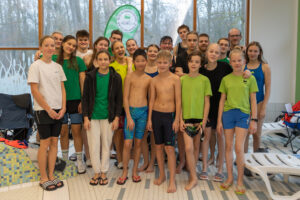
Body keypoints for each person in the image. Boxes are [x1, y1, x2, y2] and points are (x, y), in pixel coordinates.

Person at [28, 35, 66, 191]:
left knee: (54, 141)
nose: (50, 48)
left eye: (52, 45)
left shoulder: (58, 67)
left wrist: (63, 108)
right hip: (43, 110)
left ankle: (51, 175)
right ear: (41, 48)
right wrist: (49, 109)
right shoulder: (36, 66)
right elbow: (34, 90)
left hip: (58, 109)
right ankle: (43, 177)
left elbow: (62, 89)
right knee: (44, 143)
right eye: (47, 45)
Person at [217, 48, 258, 195]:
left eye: (239, 60)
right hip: (228, 114)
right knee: (228, 146)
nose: (236, 63)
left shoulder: (250, 78)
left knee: (238, 148)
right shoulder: (226, 79)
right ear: (230, 62)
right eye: (233, 60)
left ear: (244, 61)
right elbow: (222, 101)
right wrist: (219, 121)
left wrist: (254, 120)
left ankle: (240, 180)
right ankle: (229, 178)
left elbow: (253, 100)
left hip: (243, 115)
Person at [82, 50, 122, 186]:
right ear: (96, 61)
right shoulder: (90, 77)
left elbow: (119, 99)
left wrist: (116, 117)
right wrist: (86, 117)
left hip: (108, 116)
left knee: (106, 144)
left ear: (110, 60)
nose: (103, 61)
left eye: (106, 59)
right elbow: (86, 98)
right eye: (100, 59)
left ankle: (104, 171)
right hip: (93, 116)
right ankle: (96, 172)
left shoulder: (116, 77)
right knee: (94, 146)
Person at [147, 50, 181, 193]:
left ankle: (172, 179)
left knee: (170, 148)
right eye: (159, 62)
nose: (161, 65)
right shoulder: (153, 80)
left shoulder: (175, 79)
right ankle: (162, 175)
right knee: (159, 147)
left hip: (170, 116)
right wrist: (149, 119)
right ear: (156, 63)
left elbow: (179, 101)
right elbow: (151, 100)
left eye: (164, 62)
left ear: (170, 63)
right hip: (156, 115)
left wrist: (177, 119)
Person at [53, 35, 87, 174]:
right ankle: (65, 160)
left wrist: (82, 101)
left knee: (77, 131)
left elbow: (83, 81)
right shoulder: (54, 60)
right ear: (63, 44)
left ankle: (79, 160)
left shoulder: (78, 61)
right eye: (69, 44)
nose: (71, 47)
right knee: (63, 132)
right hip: (58, 101)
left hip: (75, 101)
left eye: (73, 45)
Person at [117, 49, 151, 184]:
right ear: (134, 62)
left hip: (143, 112)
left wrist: (149, 119)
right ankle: (125, 170)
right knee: (127, 144)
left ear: (146, 62)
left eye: (143, 60)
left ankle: (135, 170)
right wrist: (129, 117)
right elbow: (125, 98)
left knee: (138, 143)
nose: (141, 63)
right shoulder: (129, 77)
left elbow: (150, 99)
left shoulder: (149, 79)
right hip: (131, 112)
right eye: (138, 61)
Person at [199, 43, 232, 182]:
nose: (213, 54)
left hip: (222, 108)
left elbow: (236, 77)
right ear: (206, 53)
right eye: (211, 51)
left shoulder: (225, 67)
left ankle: (220, 169)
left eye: (216, 52)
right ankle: (205, 167)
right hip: (206, 108)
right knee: (206, 137)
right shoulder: (201, 70)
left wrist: (246, 73)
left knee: (220, 136)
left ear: (220, 55)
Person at [180, 51, 211, 190]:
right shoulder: (182, 80)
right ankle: (193, 178)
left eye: (197, 62)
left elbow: (207, 102)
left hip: (199, 120)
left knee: (196, 148)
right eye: (192, 61)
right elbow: (179, 101)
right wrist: (180, 119)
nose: (194, 64)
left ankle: (193, 172)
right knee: (188, 147)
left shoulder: (204, 80)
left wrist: (204, 122)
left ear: (201, 64)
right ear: (188, 62)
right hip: (186, 118)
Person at [110, 40, 134, 169]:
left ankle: (129, 158)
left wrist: (130, 64)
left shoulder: (132, 64)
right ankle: (120, 159)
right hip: (118, 104)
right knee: (118, 133)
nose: (120, 50)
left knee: (130, 132)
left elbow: (131, 80)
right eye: (117, 48)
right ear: (113, 52)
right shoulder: (111, 66)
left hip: (132, 103)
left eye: (121, 47)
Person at [244, 41, 271, 153]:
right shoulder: (243, 65)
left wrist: (264, 107)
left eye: (255, 51)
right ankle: (243, 158)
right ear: (247, 52)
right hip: (244, 103)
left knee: (256, 134)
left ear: (260, 53)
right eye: (250, 51)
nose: (253, 53)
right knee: (244, 134)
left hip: (259, 102)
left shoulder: (265, 67)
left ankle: (256, 156)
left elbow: (268, 88)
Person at [138, 44, 160, 173]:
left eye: (155, 51)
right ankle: (146, 161)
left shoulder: (161, 68)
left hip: (157, 105)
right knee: (142, 135)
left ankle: (152, 163)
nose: (152, 53)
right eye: (150, 51)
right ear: (147, 53)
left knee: (154, 136)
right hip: (143, 105)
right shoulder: (142, 67)